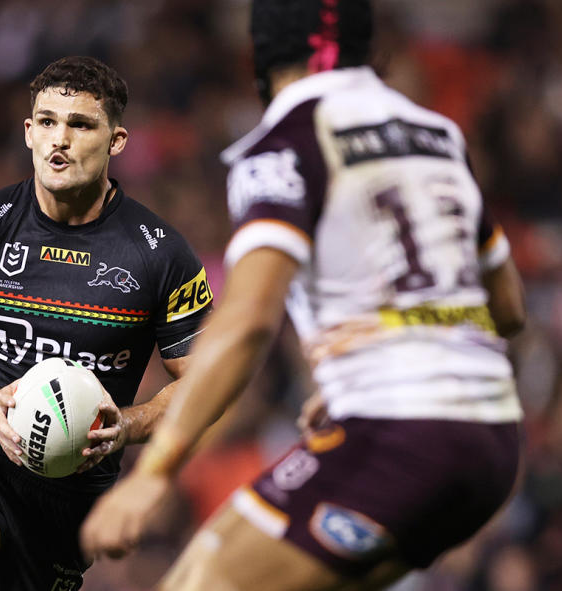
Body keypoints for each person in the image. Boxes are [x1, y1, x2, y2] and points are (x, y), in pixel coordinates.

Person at [79, 1, 527, 589]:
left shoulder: (286, 142)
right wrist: (363, 363)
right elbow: (508, 309)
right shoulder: (438, 135)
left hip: (398, 433)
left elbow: (246, 323)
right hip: (492, 444)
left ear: (262, 55)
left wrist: (154, 472)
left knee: (200, 582)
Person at [0, 56, 213, 591]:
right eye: (48, 122)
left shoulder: (162, 257)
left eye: (81, 125)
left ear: (116, 141)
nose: (61, 139)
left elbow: (206, 382)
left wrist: (130, 425)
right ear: (29, 133)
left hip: (71, 494)